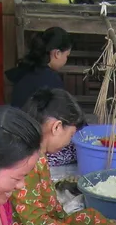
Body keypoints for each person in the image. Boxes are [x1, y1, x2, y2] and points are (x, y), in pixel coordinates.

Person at [10, 89, 116, 225]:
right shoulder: (25, 164)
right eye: (70, 136)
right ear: (56, 127)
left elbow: (52, 214)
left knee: (91, 217)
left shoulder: (39, 156)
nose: (70, 142)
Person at [6, 28, 76, 166]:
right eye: (66, 56)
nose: (65, 60)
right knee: (75, 149)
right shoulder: (51, 79)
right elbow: (61, 114)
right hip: (29, 142)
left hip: (14, 134)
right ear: (57, 53)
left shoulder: (26, 69)